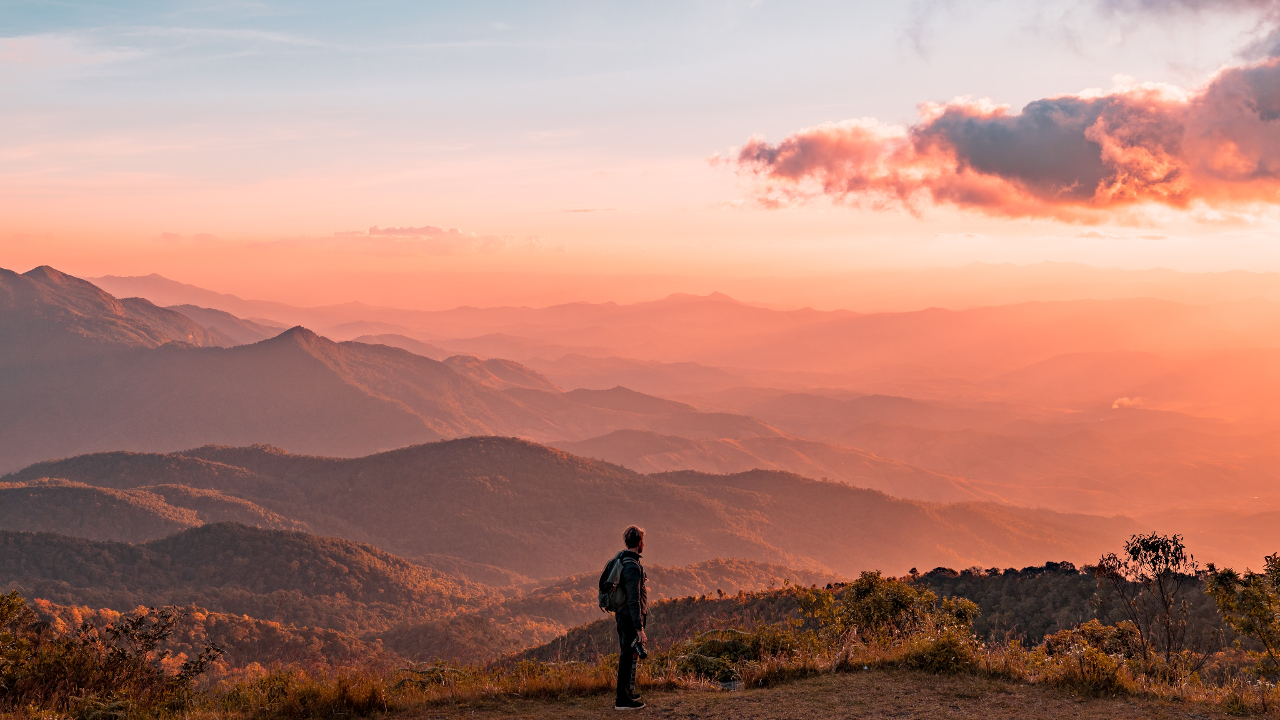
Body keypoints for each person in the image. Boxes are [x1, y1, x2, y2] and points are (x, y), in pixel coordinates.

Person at [613, 525, 648, 711]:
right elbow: (634, 600)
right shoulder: (632, 567)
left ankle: (627, 692)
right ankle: (622, 700)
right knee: (626, 657)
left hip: (623, 616)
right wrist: (639, 628)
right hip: (629, 619)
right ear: (640, 543)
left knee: (629, 655)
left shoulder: (623, 559)